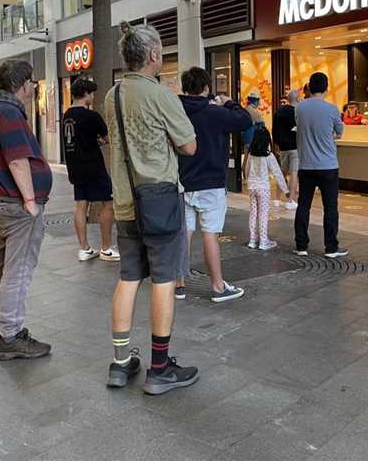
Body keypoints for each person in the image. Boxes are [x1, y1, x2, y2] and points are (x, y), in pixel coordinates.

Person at [104, 22, 199, 395]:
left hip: (125, 200)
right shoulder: (161, 95)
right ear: (153, 56)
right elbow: (189, 146)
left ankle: (121, 363)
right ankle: (159, 368)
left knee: (128, 277)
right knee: (162, 278)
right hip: (160, 200)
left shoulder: (111, 95)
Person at [0, 59, 53, 361]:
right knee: (17, 270)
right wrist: (31, 202)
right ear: (22, 85)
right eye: (32, 82)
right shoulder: (8, 114)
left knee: (0, 265)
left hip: (1, 203)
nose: (34, 87)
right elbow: (18, 160)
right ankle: (11, 334)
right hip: (16, 206)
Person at [176, 66, 252, 302]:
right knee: (210, 234)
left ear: (185, 87)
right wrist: (229, 103)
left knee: (184, 233)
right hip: (211, 182)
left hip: (183, 180)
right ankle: (218, 287)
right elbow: (245, 120)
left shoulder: (177, 110)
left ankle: (178, 284)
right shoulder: (214, 112)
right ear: (206, 87)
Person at [61, 77, 120, 263]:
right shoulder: (91, 116)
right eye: (92, 93)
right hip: (93, 166)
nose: (93, 97)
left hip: (75, 167)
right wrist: (102, 140)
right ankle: (106, 248)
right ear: (86, 94)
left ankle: (84, 248)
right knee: (108, 204)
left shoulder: (67, 116)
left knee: (81, 205)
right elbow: (107, 137)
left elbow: (78, 140)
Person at [293, 72, 349, 259]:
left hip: (306, 166)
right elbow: (339, 132)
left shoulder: (299, 108)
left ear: (309, 87)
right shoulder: (332, 109)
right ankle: (331, 248)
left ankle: (301, 245)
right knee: (330, 208)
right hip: (328, 166)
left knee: (303, 206)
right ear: (326, 87)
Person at [244, 126, 289, 250]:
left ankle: (252, 240)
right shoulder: (269, 156)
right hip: (263, 188)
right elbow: (277, 173)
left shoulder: (251, 155)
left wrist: (248, 180)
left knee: (253, 213)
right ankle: (263, 241)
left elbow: (247, 169)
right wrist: (285, 190)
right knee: (263, 214)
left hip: (252, 187)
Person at [272, 89, 300, 210]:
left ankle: (277, 199)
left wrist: (277, 144)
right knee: (294, 173)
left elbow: (275, 130)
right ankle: (290, 200)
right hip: (294, 147)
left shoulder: (279, 111)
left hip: (282, 147)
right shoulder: (297, 112)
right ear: (297, 99)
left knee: (282, 172)